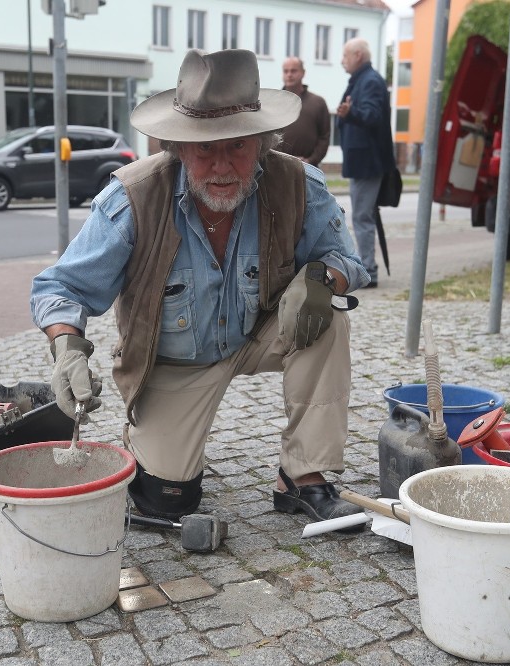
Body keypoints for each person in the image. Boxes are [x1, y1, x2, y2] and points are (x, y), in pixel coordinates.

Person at [30, 49, 370, 528]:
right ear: (179, 146)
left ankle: (304, 477)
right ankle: (150, 452)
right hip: (174, 362)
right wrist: (67, 346)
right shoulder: (133, 198)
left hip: (261, 332)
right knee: (167, 500)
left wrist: (322, 279)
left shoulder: (296, 183)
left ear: (262, 143)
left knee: (329, 318)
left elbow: (350, 262)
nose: (222, 165)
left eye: (237, 146)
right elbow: (61, 285)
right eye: (205, 148)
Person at [336, 37, 396, 289]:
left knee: (362, 217)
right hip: (363, 161)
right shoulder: (362, 80)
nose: (342, 61)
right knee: (363, 215)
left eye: (346, 56)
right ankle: (367, 266)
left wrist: (351, 114)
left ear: (358, 55)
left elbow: (372, 116)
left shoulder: (369, 81)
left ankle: (368, 269)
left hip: (367, 162)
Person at [276, 57, 331, 168]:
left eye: (293, 71)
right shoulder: (274, 103)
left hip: (309, 169)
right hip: (278, 167)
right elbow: (267, 137)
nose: (289, 75)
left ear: (303, 73)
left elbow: (324, 137)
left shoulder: (318, 103)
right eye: (286, 71)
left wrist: (310, 160)